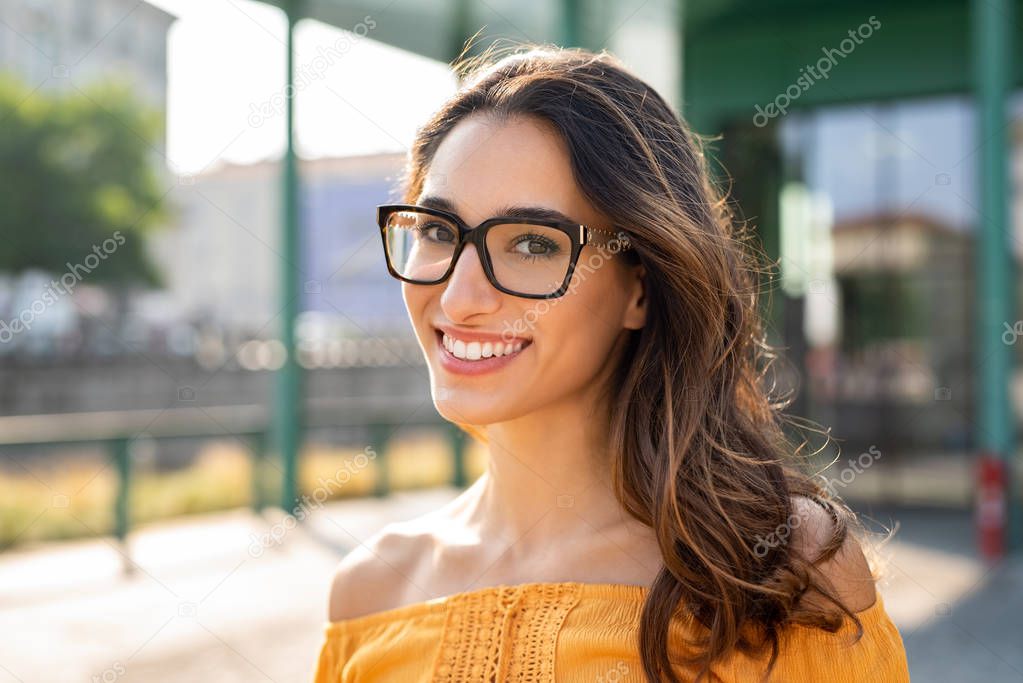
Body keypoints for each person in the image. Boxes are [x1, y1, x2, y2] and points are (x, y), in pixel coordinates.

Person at [312, 44, 911, 683]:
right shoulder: (369, 593)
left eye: (532, 244)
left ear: (640, 287)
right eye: (436, 229)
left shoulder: (783, 573)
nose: (459, 298)